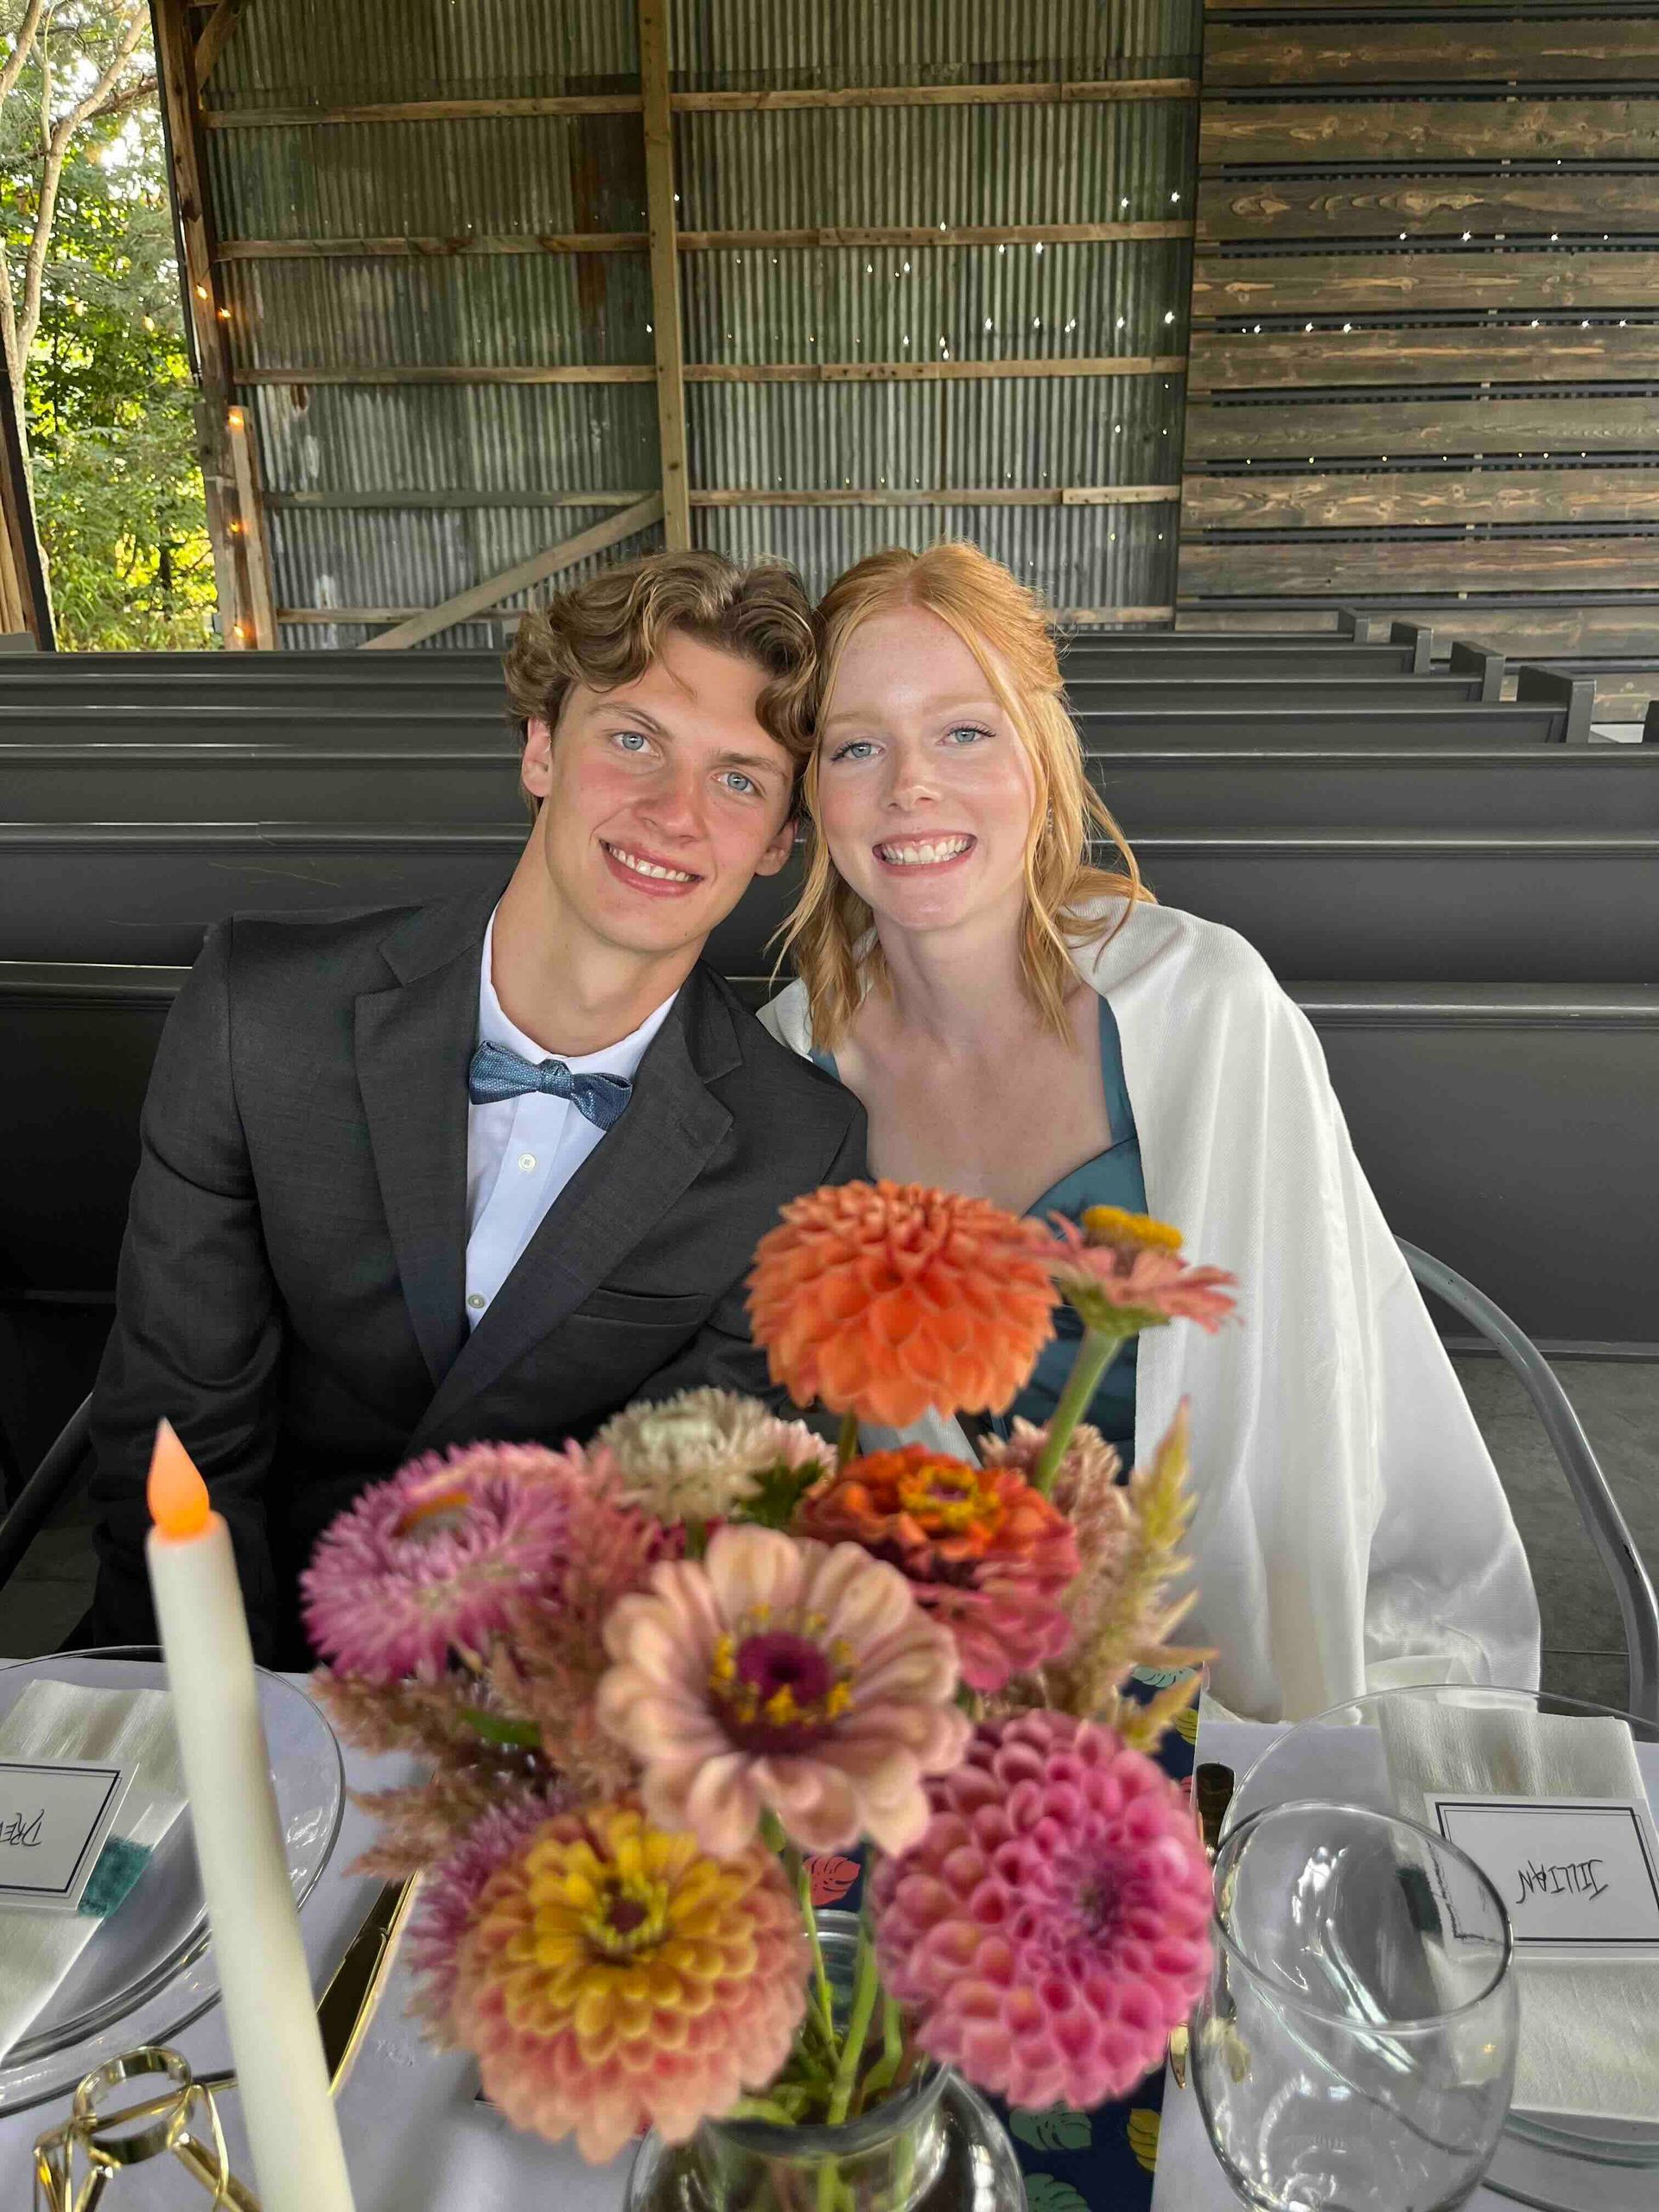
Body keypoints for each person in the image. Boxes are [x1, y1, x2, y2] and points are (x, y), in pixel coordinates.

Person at [761, 541, 1539, 1722]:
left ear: (1039, 751)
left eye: (964, 731)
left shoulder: (1205, 1004)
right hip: (926, 1676)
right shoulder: (784, 1058)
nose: (910, 786)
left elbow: (1312, 1392)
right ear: (812, 788)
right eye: (858, 744)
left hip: (1218, 1643)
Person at [86, 550, 864, 1667]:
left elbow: (666, 1527)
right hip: (229, 1653)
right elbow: (181, 1431)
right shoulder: (257, 1013)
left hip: (538, 1699)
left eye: (738, 779)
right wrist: (245, 1730)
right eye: (633, 739)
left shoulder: (801, 1146)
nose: (673, 814)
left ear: (782, 841)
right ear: (544, 748)